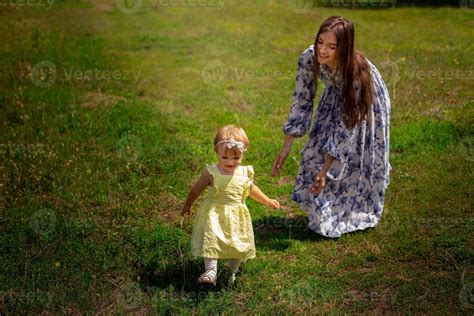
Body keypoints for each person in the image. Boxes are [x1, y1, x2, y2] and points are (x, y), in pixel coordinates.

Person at [271, 16, 391, 238]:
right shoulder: (309, 57)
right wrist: (287, 144)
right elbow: (302, 100)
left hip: (365, 101)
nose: (322, 50)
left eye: (331, 46)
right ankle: (323, 207)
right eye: (320, 41)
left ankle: (349, 207)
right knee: (317, 145)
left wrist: (325, 171)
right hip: (335, 94)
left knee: (351, 155)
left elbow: (345, 128)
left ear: (344, 49)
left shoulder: (355, 75)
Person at [182, 125, 280, 285]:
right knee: (211, 239)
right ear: (217, 153)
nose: (230, 162)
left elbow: (252, 190)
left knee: (239, 244)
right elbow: (196, 189)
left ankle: (231, 271)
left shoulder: (244, 173)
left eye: (236, 158)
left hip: (237, 216)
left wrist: (268, 201)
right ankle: (211, 271)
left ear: (243, 153)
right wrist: (188, 205)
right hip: (214, 213)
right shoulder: (211, 172)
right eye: (224, 157)